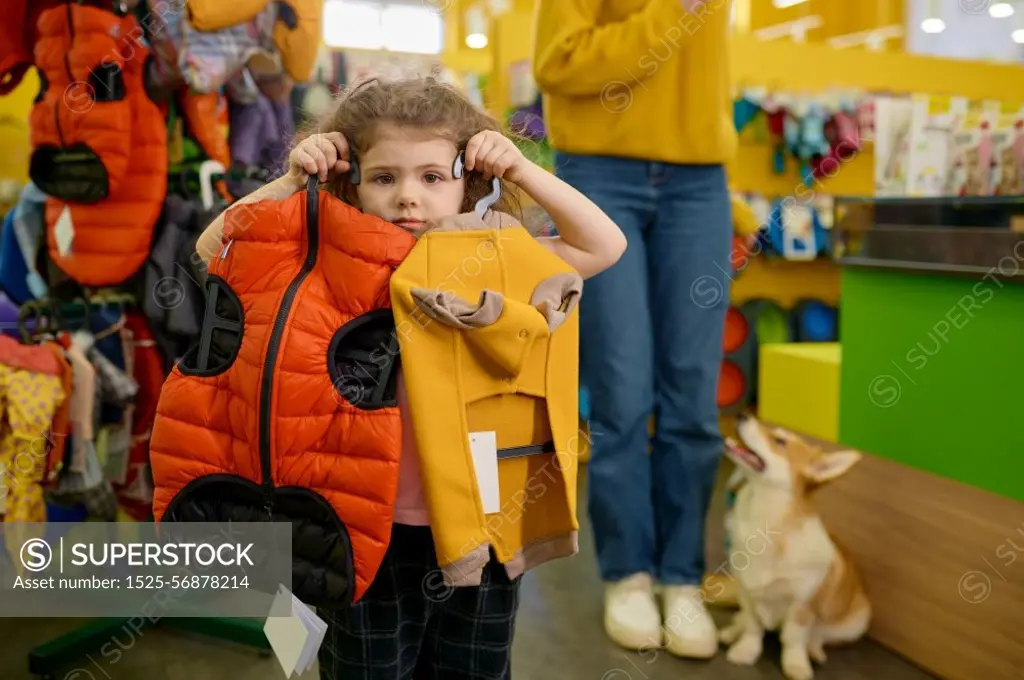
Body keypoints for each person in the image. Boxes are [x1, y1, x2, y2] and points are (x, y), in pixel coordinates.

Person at [194, 77, 627, 679]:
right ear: (352, 179)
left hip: (481, 526)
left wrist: (522, 171)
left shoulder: (498, 258)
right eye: (384, 177)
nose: (407, 198)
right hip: (357, 526)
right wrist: (294, 181)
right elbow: (215, 246)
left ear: (469, 180)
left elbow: (605, 244)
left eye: (432, 177)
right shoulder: (323, 259)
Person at [532, 0, 739, 659]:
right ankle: (628, 573)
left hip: (701, 179)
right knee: (620, 394)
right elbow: (558, 64)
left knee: (694, 396)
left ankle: (682, 577)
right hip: (600, 172)